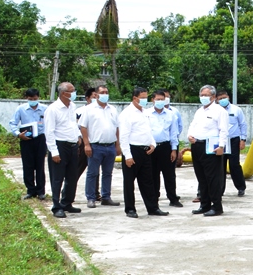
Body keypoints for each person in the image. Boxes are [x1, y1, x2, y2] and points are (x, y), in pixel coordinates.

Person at [118, 87, 167, 218]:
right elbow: (123, 136)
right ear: (135, 98)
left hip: (146, 151)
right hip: (133, 150)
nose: (145, 100)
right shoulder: (127, 114)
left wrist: (153, 144)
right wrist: (127, 155)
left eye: (146, 97)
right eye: (142, 98)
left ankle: (152, 207)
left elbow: (148, 131)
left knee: (147, 181)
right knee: (129, 182)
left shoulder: (145, 112)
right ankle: (130, 209)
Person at [187, 84, 228, 217]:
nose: (203, 97)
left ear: (213, 97)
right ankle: (204, 205)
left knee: (213, 178)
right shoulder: (199, 111)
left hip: (211, 147)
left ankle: (216, 206)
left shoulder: (219, 111)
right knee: (201, 177)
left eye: (206, 95)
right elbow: (193, 125)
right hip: (197, 145)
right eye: (202, 95)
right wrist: (189, 135)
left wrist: (221, 146)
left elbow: (223, 130)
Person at [78, 85, 122, 208]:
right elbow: (83, 127)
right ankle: (91, 198)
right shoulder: (89, 109)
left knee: (108, 173)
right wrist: (87, 144)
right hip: (95, 146)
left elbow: (116, 128)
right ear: (96, 94)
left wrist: (117, 145)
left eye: (106, 92)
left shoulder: (112, 109)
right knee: (92, 173)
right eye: (102, 92)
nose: (105, 94)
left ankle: (106, 197)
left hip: (110, 146)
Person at [43, 82, 82, 218]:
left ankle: (67, 202)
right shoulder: (53, 109)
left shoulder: (72, 106)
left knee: (72, 176)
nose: (74, 93)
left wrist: (78, 136)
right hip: (59, 145)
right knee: (57, 178)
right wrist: (54, 152)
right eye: (72, 91)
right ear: (64, 93)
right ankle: (56, 206)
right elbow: (49, 132)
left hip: (72, 145)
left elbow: (72, 124)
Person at [9, 88, 47, 200]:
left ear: (38, 97)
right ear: (27, 98)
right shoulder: (21, 109)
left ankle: (41, 191)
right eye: (30, 99)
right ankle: (30, 190)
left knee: (40, 165)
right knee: (28, 165)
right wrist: (18, 134)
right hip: (26, 139)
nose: (33, 101)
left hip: (40, 139)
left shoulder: (45, 109)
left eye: (35, 99)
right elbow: (13, 123)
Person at [149, 89, 182, 207]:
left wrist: (174, 149)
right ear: (152, 100)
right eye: (158, 99)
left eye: (162, 99)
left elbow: (174, 133)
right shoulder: (147, 114)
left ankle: (173, 198)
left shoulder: (171, 114)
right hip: (151, 148)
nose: (160, 101)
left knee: (169, 174)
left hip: (166, 147)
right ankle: (154, 198)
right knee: (153, 174)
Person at [216, 89, 247, 197]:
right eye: (220, 99)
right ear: (217, 100)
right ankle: (220, 190)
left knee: (234, 164)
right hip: (221, 141)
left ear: (228, 97)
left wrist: (243, 139)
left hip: (234, 140)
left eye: (224, 98)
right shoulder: (216, 111)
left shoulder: (236, 110)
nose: (223, 100)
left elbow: (243, 124)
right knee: (220, 166)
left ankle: (241, 187)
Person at [75, 87, 98, 201]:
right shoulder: (80, 111)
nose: (96, 98)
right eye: (94, 96)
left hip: (96, 143)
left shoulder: (101, 110)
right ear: (88, 98)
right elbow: (76, 127)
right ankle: (68, 192)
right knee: (78, 168)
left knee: (95, 171)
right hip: (84, 142)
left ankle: (95, 193)